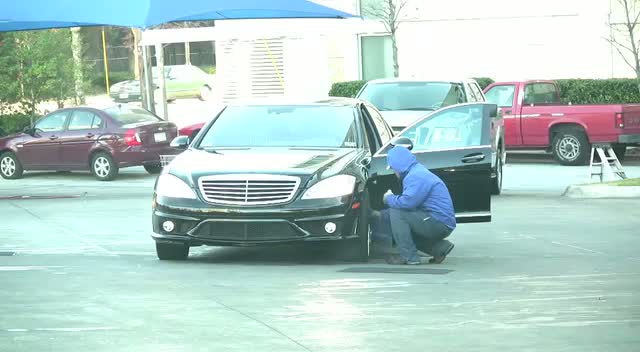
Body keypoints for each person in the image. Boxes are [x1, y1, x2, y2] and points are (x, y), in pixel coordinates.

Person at [371, 145, 456, 265]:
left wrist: (388, 198)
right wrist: (381, 215)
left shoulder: (415, 176)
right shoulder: (416, 171)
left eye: (393, 168)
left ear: (399, 166)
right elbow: (412, 209)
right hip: (438, 221)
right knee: (399, 221)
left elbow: (407, 203)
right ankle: (438, 248)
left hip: (438, 222)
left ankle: (409, 257)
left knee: (397, 213)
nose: (394, 172)